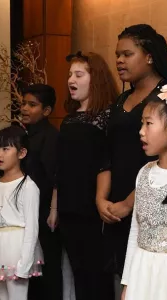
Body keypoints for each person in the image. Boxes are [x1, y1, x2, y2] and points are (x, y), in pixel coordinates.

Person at [96, 24, 167, 296]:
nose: (119, 60)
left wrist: (130, 203)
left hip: (152, 203)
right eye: (117, 54)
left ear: (149, 56)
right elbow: (106, 152)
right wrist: (101, 198)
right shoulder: (121, 100)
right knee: (125, 281)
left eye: (127, 54)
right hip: (114, 207)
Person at [48, 51, 118, 300]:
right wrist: (54, 208)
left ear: (95, 79)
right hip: (68, 210)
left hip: (94, 212)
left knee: (97, 278)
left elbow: (108, 164)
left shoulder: (109, 117)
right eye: (69, 75)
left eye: (79, 74)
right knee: (78, 275)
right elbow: (60, 168)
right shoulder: (68, 121)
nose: (71, 80)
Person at [121, 83, 167, 300]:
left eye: (149, 123)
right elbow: (135, 232)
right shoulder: (144, 173)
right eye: (141, 123)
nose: (141, 131)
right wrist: (127, 284)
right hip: (141, 273)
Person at [0, 126, 43, 300]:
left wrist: (24, 264)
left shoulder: (28, 186)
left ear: (21, 153)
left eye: (6, 149)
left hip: (15, 252)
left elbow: (32, 229)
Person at [20, 84, 62, 300]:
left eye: (32, 105)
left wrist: (50, 210)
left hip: (43, 213)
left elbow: (52, 178)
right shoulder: (24, 136)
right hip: (27, 212)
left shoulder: (50, 137)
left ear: (46, 111)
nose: (25, 108)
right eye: (24, 103)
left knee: (47, 268)